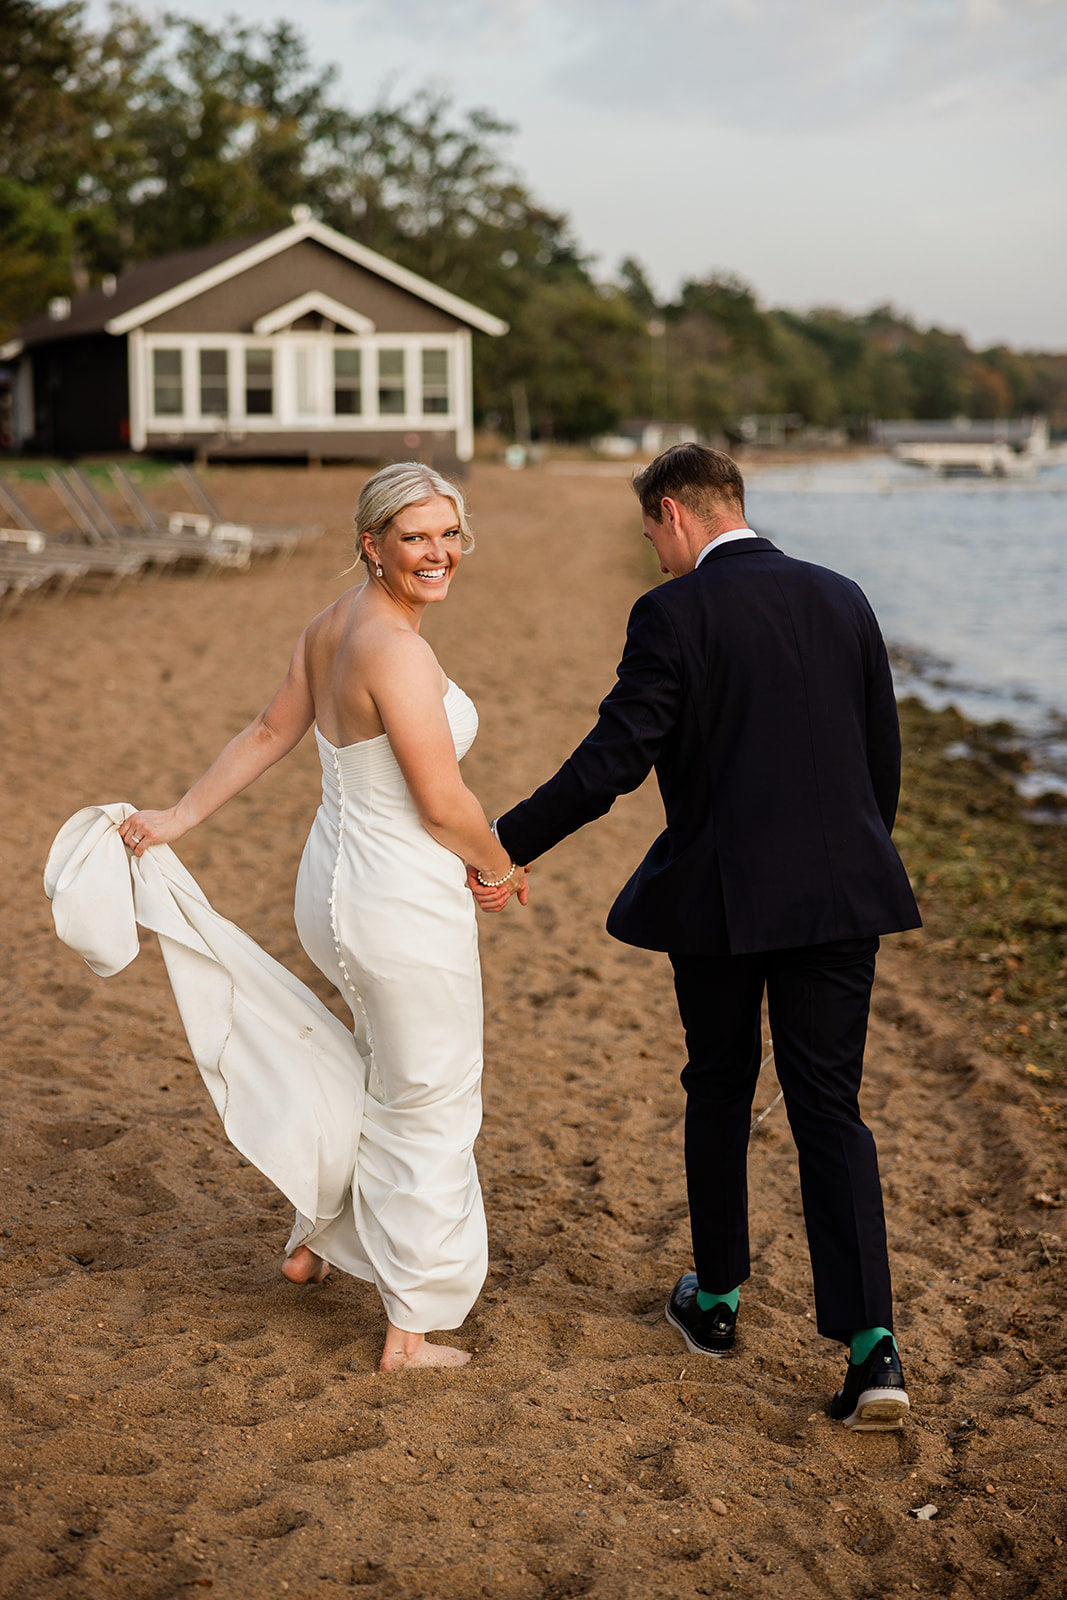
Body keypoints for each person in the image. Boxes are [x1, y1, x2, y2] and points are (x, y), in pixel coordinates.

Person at [481, 444, 921, 1429]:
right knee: (828, 1111)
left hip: (721, 901)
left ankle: (716, 1302)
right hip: (843, 894)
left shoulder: (672, 613)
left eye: (651, 535)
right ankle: (870, 1348)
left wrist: (501, 842)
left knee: (718, 1086)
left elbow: (612, 762)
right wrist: (847, 864)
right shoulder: (841, 596)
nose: (654, 554)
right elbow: (876, 757)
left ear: (672, 513)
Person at [118, 462, 527, 1372]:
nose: (438, 552)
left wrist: (181, 814)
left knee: (374, 1069)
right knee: (431, 1096)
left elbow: (270, 732)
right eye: (416, 536)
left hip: (332, 891)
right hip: (397, 904)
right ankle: (410, 1330)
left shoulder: (330, 626)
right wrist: (499, 867)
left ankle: (312, 1246)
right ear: (371, 544)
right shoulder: (398, 649)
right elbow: (440, 803)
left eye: (450, 533)